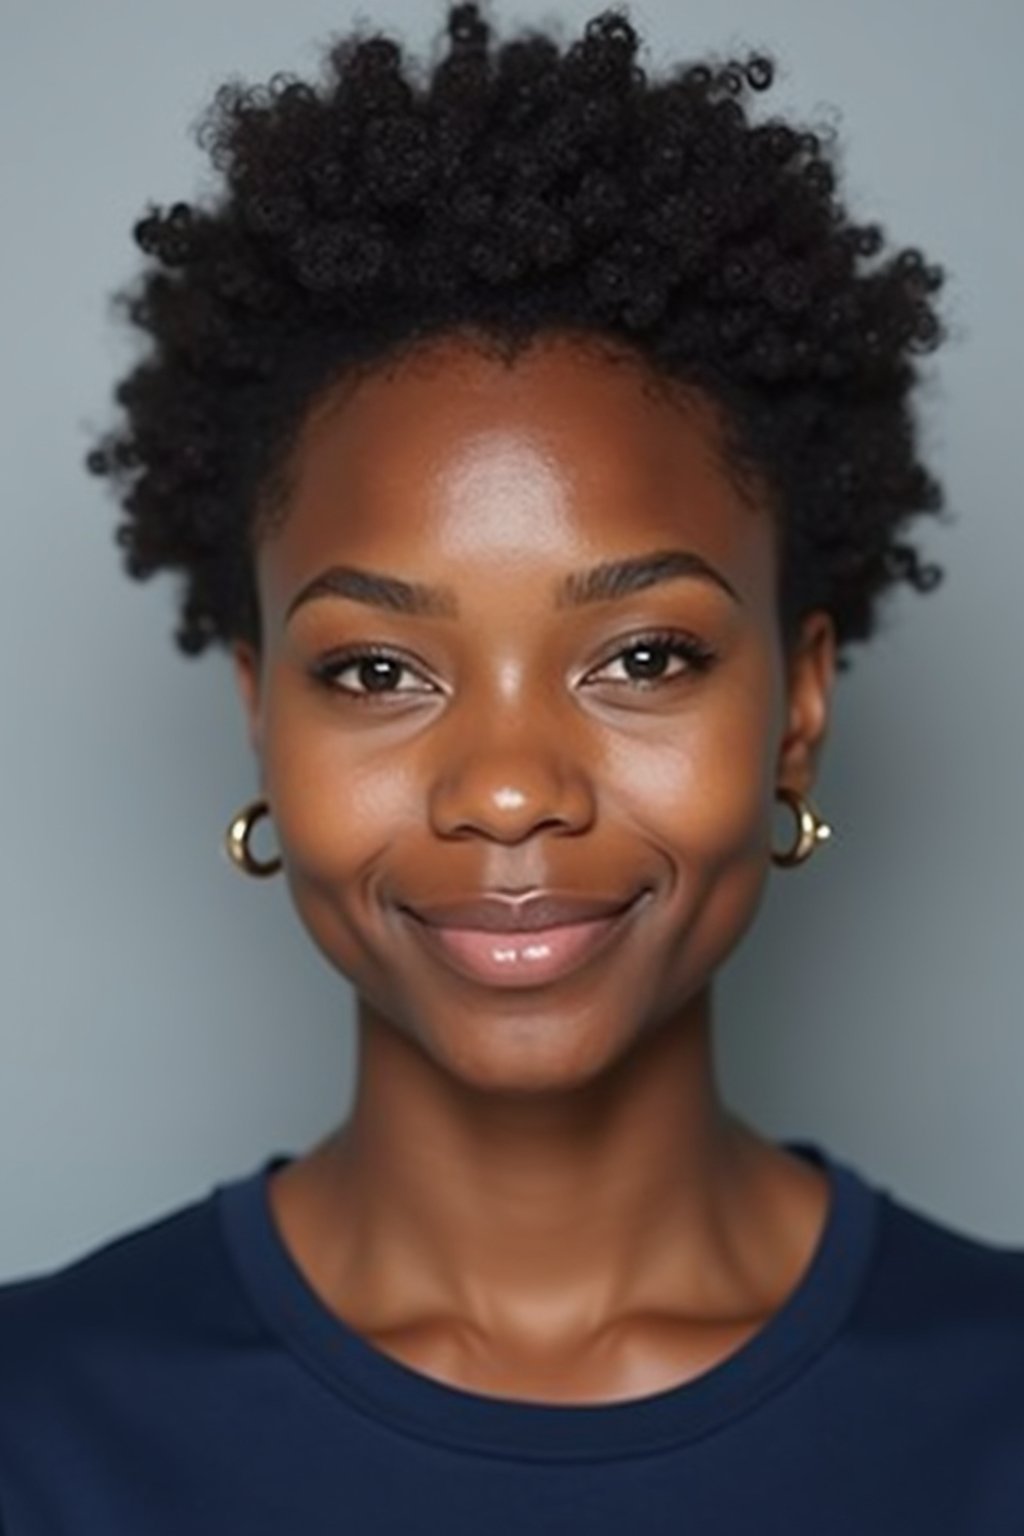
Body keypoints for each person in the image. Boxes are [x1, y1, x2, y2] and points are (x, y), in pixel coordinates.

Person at [1, 4, 1021, 1531]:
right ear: (261, 714)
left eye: (644, 657)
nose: (507, 789)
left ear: (798, 704)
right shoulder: (37, 1427)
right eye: (375, 671)